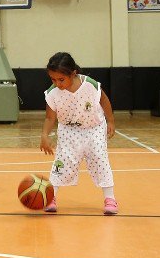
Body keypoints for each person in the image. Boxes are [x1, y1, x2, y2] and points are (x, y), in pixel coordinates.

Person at [40, 52, 119, 215]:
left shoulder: (89, 85)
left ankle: (110, 198)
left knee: (100, 159)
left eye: (61, 79)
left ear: (73, 73)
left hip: (94, 128)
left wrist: (110, 120)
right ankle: (51, 197)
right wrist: (44, 135)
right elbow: (50, 117)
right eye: (53, 79)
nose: (57, 83)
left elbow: (104, 100)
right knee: (61, 163)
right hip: (69, 130)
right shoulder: (53, 93)